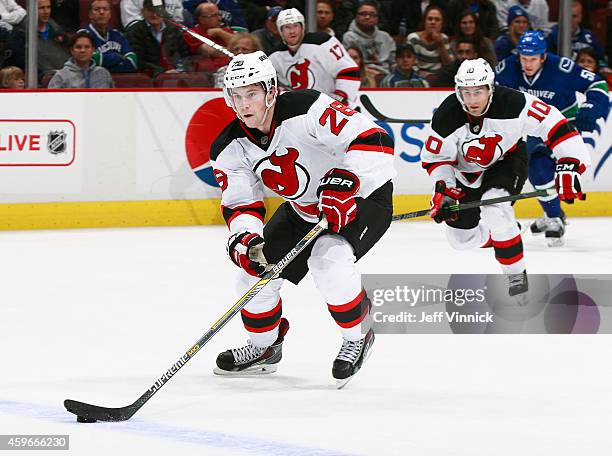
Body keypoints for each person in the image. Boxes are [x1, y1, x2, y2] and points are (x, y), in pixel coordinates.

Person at [210, 50, 395, 387]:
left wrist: (345, 181)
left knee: (329, 259)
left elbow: (374, 138)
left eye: (251, 93)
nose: (243, 104)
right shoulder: (228, 147)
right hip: (304, 209)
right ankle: (264, 349)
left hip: (362, 195)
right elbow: (241, 204)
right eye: (236, 96)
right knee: (253, 275)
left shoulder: (306, 107)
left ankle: (358, 333)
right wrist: (246, 239)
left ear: (269, 90)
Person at [422, 58, 590, 298]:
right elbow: (437, 159)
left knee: (496, 206)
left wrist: (570, 164)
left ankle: (515, 275)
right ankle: (506, 232)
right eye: (466, 92)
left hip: (507, 163)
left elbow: (556, 125)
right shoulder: (446, 115)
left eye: (478, 91)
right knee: (460, 240)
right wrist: (445, 191)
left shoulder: (515, 103)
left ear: (491, 87)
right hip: (464, 173)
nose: (472, 100)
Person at [495, 31, 610, 246]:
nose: (527, 64)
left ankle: (553, 216)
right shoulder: (506, 68)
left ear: (543, 57)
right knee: (537, 170)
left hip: (564, 125)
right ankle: (554, 215)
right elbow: (488, 93)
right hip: (534, 128)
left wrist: (590, 110)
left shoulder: (562, 68)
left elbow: (598, 85)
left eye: (533, 59)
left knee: (556, 172)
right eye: (524, 58)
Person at [269, 8, 360, 107]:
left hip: (329, 108)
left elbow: (349, 70)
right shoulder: (274, 56)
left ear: (302, 27)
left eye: (295, 26)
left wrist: (340, 96)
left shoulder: (322, 42)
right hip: (299, 113)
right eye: (287, 27)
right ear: (280, 30)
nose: (292, 31)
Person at [126, 0, 190, 76]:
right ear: (143, 12)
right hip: (150, 78)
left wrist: (182, 70)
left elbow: (185, 54)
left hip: (176, 74)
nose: (155, 14)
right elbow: (138, 61)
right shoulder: (134, 31)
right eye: (150, 10)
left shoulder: (174, 29)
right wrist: (161, 72)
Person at [546, 1, 610, 76]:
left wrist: (603, 68)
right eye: (567, 16)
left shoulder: (590, 37)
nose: (570, 20)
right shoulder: (551, 36)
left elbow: (601, 59)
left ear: (580, 17)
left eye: (574, 16)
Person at [82, 0, 138, 73]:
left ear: (110, 14)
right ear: (90, 14)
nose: (101, 12)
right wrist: (117, 57)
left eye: (105, 9)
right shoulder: (83, 35)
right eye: (97, 9)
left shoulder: (118, 35)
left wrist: (103, 63)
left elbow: (133, 62)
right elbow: (88, 61)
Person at [341, 0, 395, 74]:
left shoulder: (385, 37)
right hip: (362, 75)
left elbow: (393, 62)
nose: (367, 17)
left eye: (372, 14)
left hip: (386, 75)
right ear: (356, 16)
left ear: (377, 18)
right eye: (363, 14)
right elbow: (350, 64)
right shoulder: (349, 37)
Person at [48, 30, 114, 88]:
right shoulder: (60, 76)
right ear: (72, 50)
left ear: (93, 50)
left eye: (87, 47)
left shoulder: (103, 73)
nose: (82, 50)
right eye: (78, 47)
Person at [406, 5, 454, 78]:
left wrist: (440, 45)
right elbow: (409, 64)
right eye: (430, 19)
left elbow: (449, 65)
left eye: (437, 20)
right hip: (417, 77)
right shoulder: (413, 38)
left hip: (438, 78)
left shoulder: (444, 38)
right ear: (424, 22)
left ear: (442, 24)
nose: (433, 22)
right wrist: (420, 75)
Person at [37, 0, 70, 76]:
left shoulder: (57, 30)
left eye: (48, 7)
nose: (46, 11)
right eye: (42, 8)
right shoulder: (23, 33)